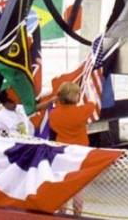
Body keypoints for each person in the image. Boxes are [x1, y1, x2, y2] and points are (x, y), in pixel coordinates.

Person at [49, 81, 96, 216]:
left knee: (62, 185)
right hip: (79, 154)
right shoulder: (83, 111)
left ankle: (62, 212)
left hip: (62, 152)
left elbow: (53, 128)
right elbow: (92, 104)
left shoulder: (53, 114)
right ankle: (77, 214)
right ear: (75, 96)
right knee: (78, 188)